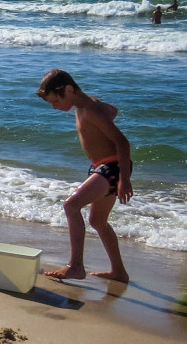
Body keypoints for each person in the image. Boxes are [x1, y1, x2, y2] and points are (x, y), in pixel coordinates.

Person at [36, 69, 132, 282]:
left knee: (71, 205)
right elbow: (112, 110)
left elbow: (123, 142)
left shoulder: (90, 110)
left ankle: (76, 266)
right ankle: (119, 272)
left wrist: (124, 179)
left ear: (68, 90)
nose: (54, 107)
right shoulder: (89, 105)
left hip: (112, 167)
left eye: (55, 101)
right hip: (101, 166)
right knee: (98, 221)